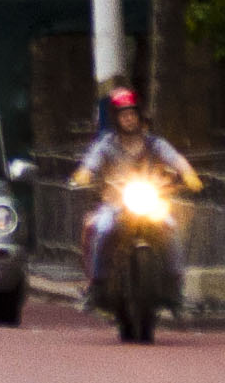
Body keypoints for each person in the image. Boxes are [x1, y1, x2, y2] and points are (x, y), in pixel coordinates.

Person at [71, 88, 196, 312]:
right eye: (123, 115)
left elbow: (174, 157)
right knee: (102, 228)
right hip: (116, 204)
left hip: (150, 202)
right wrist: (84, 173)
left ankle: (177, 291)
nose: (129, 119)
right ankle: (96, 287)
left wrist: (188, 173)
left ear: (139, 116)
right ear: (117, 119)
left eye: (132, 114)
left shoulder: (153, 143)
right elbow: (92, 160)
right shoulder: (108, 144)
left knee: (171, 228)